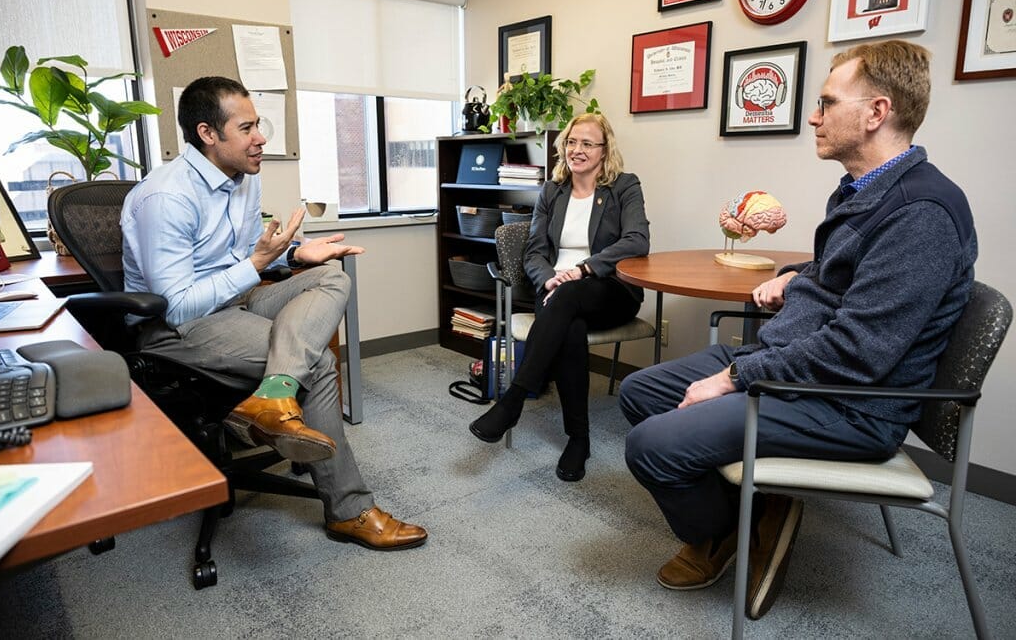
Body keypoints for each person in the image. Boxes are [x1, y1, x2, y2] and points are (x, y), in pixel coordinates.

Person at [620, 40, 977, 619]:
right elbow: (854, 273)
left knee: (651, 447)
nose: (813, 114)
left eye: (827, 101)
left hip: (851, 402)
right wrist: (797, 275)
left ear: (876, 112)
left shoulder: (922, 214)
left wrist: (736, 377)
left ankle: (727, 529)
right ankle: (759, 508)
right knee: (640, 393)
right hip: (797, 364)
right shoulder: (866, 189)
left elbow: (858, 352)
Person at [121, 76, 427, 550]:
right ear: (208, 134)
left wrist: (291, 257)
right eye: (246, 128)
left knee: (331, 277)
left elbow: (246, 255)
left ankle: (274, 395)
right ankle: (349, 509)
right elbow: (177, 305)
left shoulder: (241, 181)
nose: (260, 137)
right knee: (320, 362)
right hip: (175, 328)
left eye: (258, 125)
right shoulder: (167, 197)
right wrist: (258, 264)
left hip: (233, 304)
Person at [469, 112, 650, 481]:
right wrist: (550, 279)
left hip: (609, 288)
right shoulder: (552, 191)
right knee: (568, 322)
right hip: (556, 292)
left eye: (587, 143)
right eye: (571, 141)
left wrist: (583, 269)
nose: (577, 150)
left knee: (568, 301)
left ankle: (513, 400)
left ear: (604, 150)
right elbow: (534, 250)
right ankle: (578, 440)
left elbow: (637, 240)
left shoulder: (624, 187)